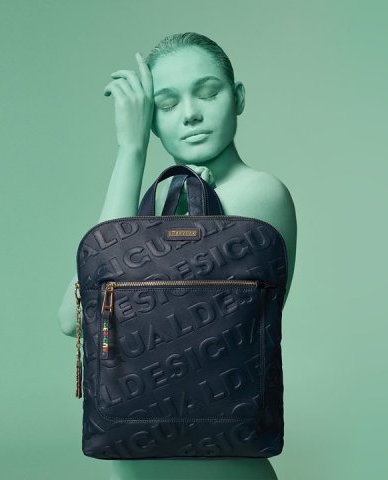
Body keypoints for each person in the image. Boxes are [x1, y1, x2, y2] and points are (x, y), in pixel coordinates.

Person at [58, 32, 297, 480]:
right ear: (149, 120)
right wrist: (130, 152)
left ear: (238, 98)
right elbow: (72, 318)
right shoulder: (165, 208)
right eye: (166, 105)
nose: (190, 114)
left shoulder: (258, 194)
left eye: (208, 93)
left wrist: (133, 157)